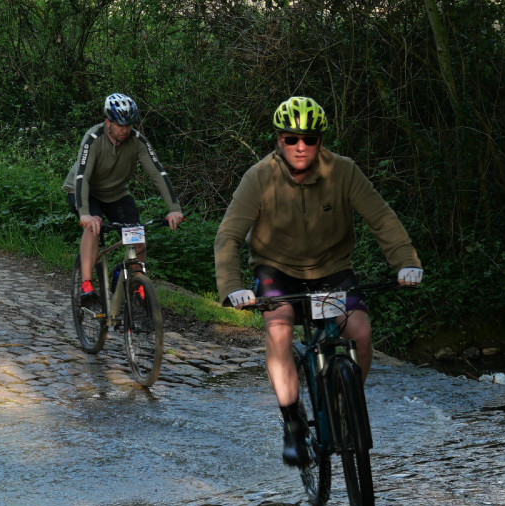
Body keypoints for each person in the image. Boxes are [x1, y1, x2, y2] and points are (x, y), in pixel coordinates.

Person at [213, 96, 423, 467]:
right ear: (279, 140)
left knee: (359, 332)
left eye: (309, 139)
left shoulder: (344, 172)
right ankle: (293, 421)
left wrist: (405, 261)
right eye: (291, 138)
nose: (300, 147)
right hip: (277, 270)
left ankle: (347, 405)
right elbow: (228, 235)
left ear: (320, 141)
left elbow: (382, 218)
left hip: (331, 270)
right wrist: (232, 285)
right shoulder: (259, 178)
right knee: (279, 330)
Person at [64, 93, 185, 307]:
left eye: (129, 124)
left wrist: (174, 208)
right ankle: (86, 285)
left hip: (116, 194)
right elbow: (83, 176)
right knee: (94, 226)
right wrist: (84, 213)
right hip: (85, 192)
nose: (126, 130)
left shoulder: (137, 141)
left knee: (136, 232)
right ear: (108, 121)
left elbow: (158, 173)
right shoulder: (93, 138)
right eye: (121, 125)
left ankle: (138, 284)